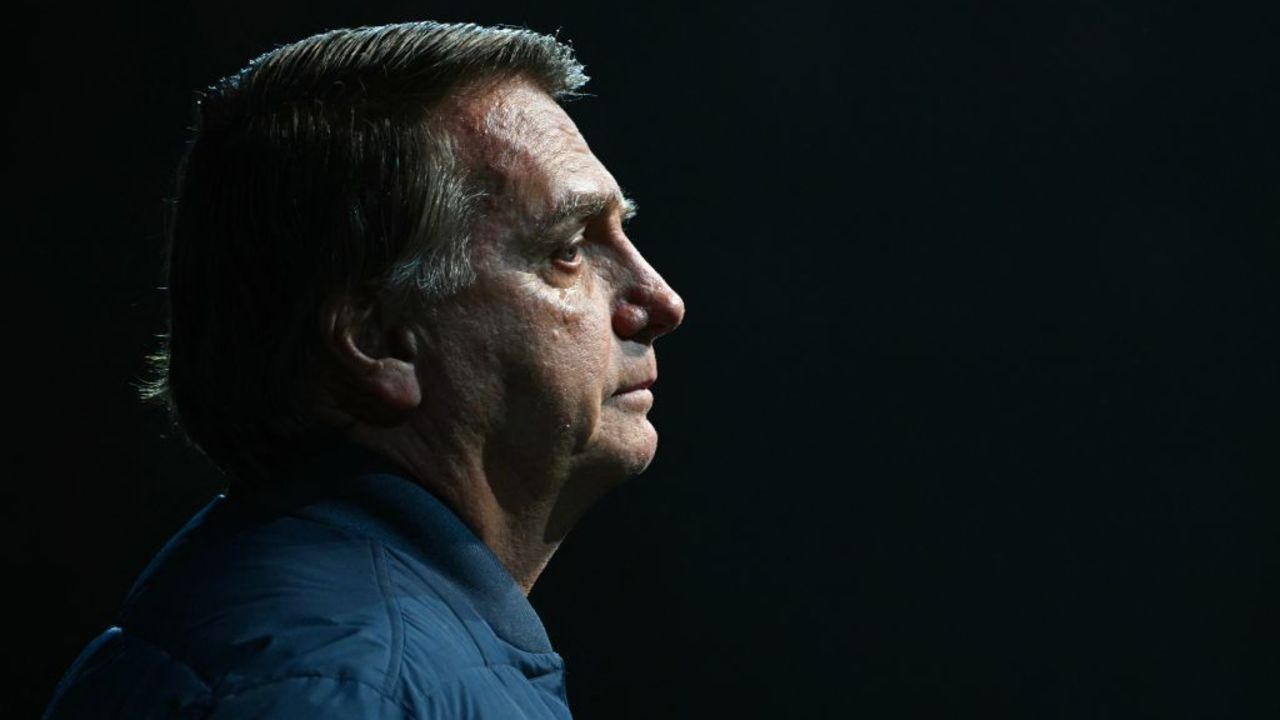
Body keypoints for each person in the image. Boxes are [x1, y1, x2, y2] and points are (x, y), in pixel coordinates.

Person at [44, 21, 684, 719]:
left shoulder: (340, 645)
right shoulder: (342, 684)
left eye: (625, 232)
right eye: (567, 249)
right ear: (378, 340)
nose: (660, 300)